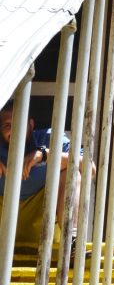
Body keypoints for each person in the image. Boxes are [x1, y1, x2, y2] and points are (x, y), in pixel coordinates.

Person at [0, 101, 76, 248]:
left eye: (19, 123)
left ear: (31, 124)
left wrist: (45, 155)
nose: (14, 130)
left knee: (72, 173)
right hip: (4, 217)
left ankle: (72, 241)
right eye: (7, 125)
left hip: (42, 220)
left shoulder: (49, 138)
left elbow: (90, 168)